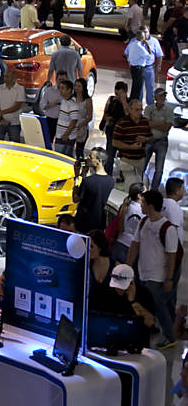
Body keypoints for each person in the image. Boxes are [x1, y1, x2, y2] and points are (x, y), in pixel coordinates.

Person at [127, 190, 179, 349]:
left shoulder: (167, 228)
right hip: (142, 273)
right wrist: (128, 266)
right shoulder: (144, 222)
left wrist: (169, 278)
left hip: (157, 276)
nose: (141, 205)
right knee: (145, 305)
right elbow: (135, 245)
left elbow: (171, 256)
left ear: (150, 206)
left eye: (143, 203)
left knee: (158, 306)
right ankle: (146, 331)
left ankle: (169, 336)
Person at [112, 99, 153, 185]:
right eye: (137, 110)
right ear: (130, 110)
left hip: (140, 159)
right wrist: (130, 147)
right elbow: (115, 142)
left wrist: (145, 139)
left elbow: (151, 137)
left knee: (139, 183)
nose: (139, 112)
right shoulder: (122, 123)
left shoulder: (145, 121)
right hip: (127, 159)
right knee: (130, 184)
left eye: (141, 110)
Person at [72, 148, 114, 233]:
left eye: (90, 157)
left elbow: (75, 198)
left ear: (99, 161)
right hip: (98, 224)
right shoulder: (111, 181)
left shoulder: (88, 181)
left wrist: (76, 177)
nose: (87, 158)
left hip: (83, 224)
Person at [144, 87, 174, 191]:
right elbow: (146, 124)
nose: (163, 98)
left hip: (162, 142)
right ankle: (140, 185)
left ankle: (154, 190)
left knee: (159, 169)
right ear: (155, 97)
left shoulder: (169, 111)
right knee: (142, 165)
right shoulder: (149, 108)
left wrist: (152, 124)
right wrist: (161, 124)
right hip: (149, 140)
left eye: (164, 95)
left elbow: (167, 127)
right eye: (160, 95)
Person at [0, 68, 25, 143]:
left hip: (14, 123)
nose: (6, 78)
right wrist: (1, 119)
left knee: (15, 145)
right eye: (5, 76)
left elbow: (17, 106)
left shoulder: (20, 89)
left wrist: (2, 112)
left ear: (14, 78)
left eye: (8, 76)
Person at [53, 80, 78, 156]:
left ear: (69, 90)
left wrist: (66, 134)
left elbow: (74, 120)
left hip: (67, 137)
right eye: (60, 88)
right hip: (60, 135)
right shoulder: (64, 101)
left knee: (64, 157)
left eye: (63, 88)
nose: (60, 90)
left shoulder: (73, 103)